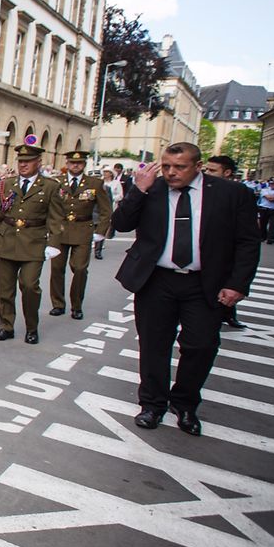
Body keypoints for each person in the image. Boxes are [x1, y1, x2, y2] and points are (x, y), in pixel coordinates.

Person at [111, 142, 260, 436]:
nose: (171, 172)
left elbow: (247, 242)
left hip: (204, 283)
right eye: (166, 166)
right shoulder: (151, 189)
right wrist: (138, 190)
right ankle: (152, 404)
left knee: (202, 345)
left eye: (179, 167)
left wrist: (237, 284)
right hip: (156, 280)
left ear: (198, 166)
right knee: (153, 345)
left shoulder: (231, 194)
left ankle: (185, 403)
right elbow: (121, 224)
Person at [0, 144, 66, 344]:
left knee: (30, 286)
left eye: (28, 161)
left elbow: (56, 218)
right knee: (5, 289)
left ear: (38, 163)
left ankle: (32, 327)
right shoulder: (6, 184)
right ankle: (6, 326)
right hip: (7, 239)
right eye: (21, 161)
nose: (23, 165)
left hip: (34, 242)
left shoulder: (50, 186)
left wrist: (53, 243)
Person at [48, 150, 112, 321]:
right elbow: (49, 207)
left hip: (83, 229)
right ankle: (58, 304)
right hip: (60, 230)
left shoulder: (95, 183)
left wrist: (100, 232)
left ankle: (77, 305)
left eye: (80, 163)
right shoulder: (57, 182)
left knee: (80, 269)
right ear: (67, 164)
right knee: (56, 268)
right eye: (72, 163)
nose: (75, 166)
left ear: (84, 165)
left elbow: (106, 210)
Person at [202, 155, 247, 330]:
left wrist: (239, 283)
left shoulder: (238, 192)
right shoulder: (198, 190)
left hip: (225, 254)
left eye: (213, 170)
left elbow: (247, 239)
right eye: (207, 169)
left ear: (227, 172)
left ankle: (228, 313)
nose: (207, 173)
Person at [95, 168, 124, 259]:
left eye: (107, 172)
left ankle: (98, 250)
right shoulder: (98, 183)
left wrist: (112, 200)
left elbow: (120, 195)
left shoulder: (115, 184)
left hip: (108, 207)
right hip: (95, 209)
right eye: (104, 172)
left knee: (102, 228)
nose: (105, 174)